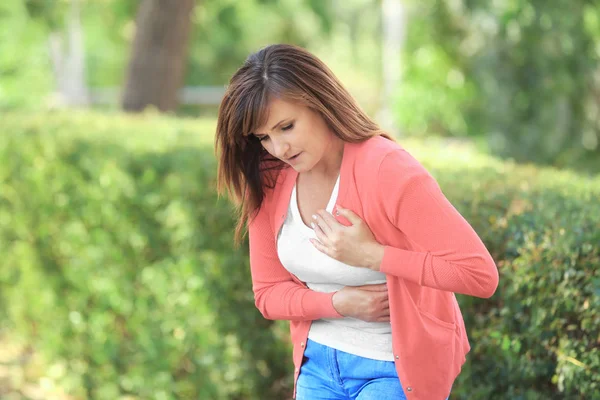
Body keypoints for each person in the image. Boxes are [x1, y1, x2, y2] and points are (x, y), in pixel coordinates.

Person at [215, 43, 499, 400]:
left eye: (286, 127)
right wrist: (338, 303)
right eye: (264, 137)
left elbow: (479, 274)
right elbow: (268, 294)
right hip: (316, 366)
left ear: (319, 102)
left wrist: (374, 256)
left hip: (393, 369)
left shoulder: (386, 168)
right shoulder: (270, 177)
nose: (279, 148)